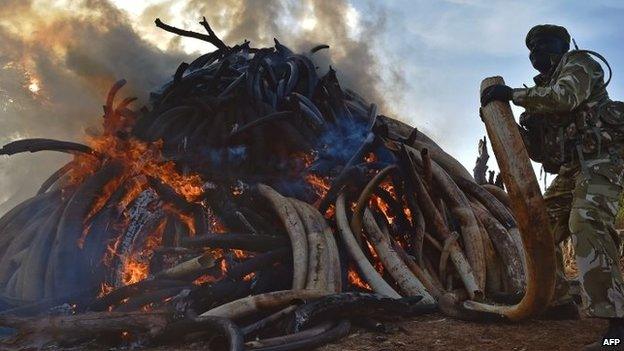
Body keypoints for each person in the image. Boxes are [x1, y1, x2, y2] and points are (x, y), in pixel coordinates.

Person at [481, 24, 624, 350]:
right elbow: (541, 153)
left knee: (585, 221)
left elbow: (564, 97)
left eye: (545, 45)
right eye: (532, 48)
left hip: (605, 160)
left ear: (561, 46)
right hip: (575, 168)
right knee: (539, 223)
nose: (537, 53)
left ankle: (618, 324)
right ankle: (558, 301)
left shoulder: (580, 64)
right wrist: (501, 119)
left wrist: (513, 96)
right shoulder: (538, 98)